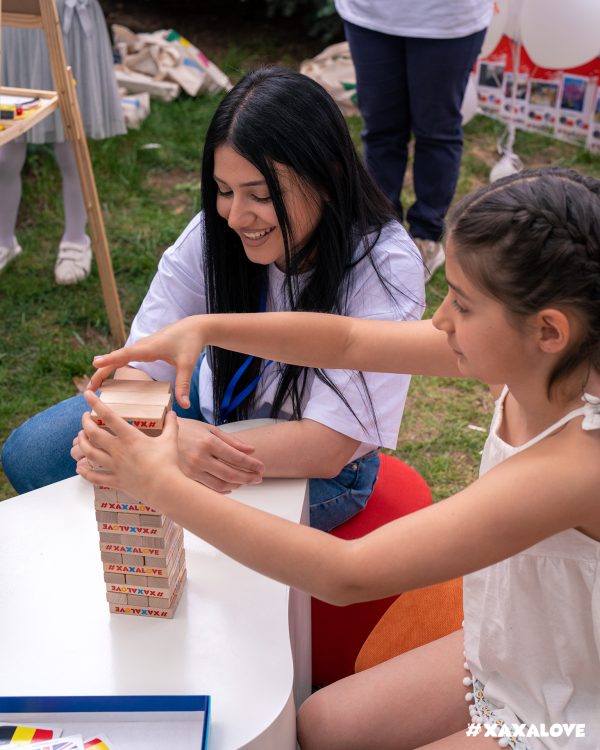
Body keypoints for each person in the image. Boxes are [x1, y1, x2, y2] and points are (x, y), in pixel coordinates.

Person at [80, 167, 600, 748]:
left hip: (573, 705)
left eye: (463, 304)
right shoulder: (540, 362)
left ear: (549, 330)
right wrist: (206, 328)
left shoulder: (575, 466)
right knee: (323, 726)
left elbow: (347, 574)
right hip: (525, 643)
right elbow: (350, 341)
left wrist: (163, 486)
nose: (440, 321)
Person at [2, 67, 425, 532]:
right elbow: (142, 361)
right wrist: (143, 430)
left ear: (328, 177)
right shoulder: (214, 231)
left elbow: (327, 448)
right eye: (224, 191)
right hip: (202, 415)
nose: (236, 216)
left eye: (261, 195)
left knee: (163, 514)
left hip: (312, 466)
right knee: (34, 454)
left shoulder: (383, 264)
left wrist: (159, 448)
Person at [334, 0, 493, 281]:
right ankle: (380, 231)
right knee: (381, 130)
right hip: (370, 13)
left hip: (447, 18)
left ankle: (426, 237)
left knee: (436, 132)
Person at [0, 0, 125, 282]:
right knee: (5, 152)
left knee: (70, 147)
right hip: (14, 22)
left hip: (64, 24)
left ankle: (75, 240)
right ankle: (4, 240)